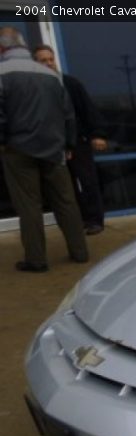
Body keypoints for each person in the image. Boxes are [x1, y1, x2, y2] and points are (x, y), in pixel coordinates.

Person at [0, 28, 87, 272]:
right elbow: (68, 114)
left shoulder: (2, 74)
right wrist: (68, 144)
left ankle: (36, 260)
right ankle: (80, 252)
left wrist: (3, 141)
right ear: (24, 47)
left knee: (29, 206)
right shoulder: (51, 75)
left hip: (18, 150)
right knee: (66, 202)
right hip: (54, 148)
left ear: (2, 49)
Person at [34, 44, 108, 235]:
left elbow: (87, 109)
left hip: (79, 142)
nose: (49, 63)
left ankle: (94, 220)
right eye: (43, 60)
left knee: (88, 181)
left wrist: (97, 134)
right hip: (53, 146)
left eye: (51, 59)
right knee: (65, 188)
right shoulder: (34, 87)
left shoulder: (70, 83)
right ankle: (77, 221)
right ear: (35, 63)